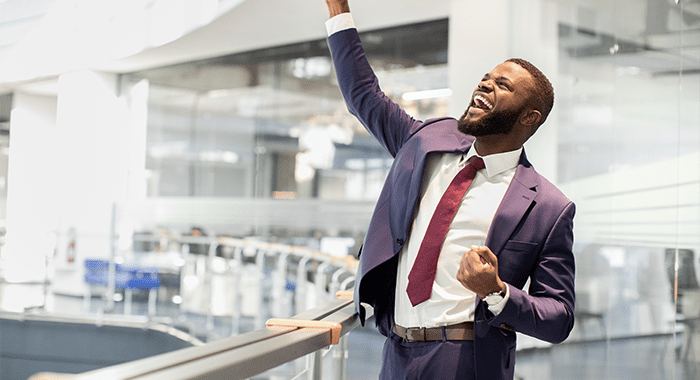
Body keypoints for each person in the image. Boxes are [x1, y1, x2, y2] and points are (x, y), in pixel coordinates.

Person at [323, 1, 576, 379]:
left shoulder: (549, 208)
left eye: (502, 85)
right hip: (394, 351)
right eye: (487, 77)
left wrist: (497, 291)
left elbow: (558, 318)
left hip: (464, 362)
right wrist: (338, 10)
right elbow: (362, 95)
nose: (485, 83)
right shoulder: (426, 141)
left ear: (529, 117)